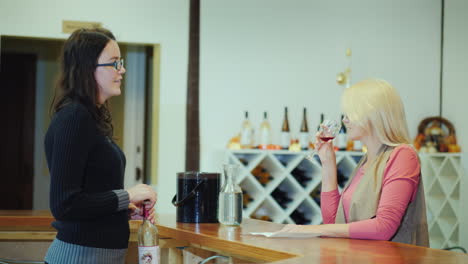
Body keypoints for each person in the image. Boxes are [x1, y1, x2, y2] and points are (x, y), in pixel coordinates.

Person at [44, 28, 157, 263]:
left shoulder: (88, 117)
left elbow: (89, 197)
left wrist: (122, 209)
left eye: (121, 62)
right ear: (87, 68)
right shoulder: (74, 117)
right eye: (114, 63)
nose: (122, 70)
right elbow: (65, 204)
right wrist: (128, 195)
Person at [279, 79, 429, 246]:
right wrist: (328, 162)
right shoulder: (366, 161)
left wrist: (312, 229)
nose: (345, 120)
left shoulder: (402, 156)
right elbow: (334, 222)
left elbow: (384, 227)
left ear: (373, 115)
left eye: (351, 113)